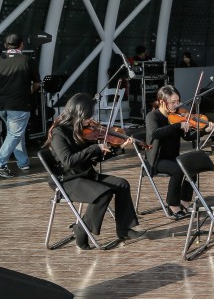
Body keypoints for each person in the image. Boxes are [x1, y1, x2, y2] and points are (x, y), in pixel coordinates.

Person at [45, 93, 146, 248]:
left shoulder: (81, 129)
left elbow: (95, 158)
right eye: (88, 116)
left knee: (122, 184)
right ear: (78, 113)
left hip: (85, 174)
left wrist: (118, 148)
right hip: (67, 180)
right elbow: (69, 161)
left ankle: (124, 228)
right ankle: (81, 229)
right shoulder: (59, 132)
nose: (90, 120)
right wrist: (94, 148)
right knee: (103, 194)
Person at [145, 85, 214, 219]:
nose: (176, 105)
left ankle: (185, 202)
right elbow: (155, 134)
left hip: (172, 157)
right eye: (173, 102)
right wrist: (177, 125)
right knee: (179, 170)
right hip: (157, 159)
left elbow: (187, 137)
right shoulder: (152, 116)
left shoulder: (177, 116)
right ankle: (173, 205)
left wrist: (204, 131)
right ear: (161, 102)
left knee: (192, 166)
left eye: (178, 101)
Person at [0, 33, 40, 178]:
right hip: (19, 104)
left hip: (2, 106)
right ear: (21, 44)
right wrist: (28, 92)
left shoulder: (0, 60)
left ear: (5, 46)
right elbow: (37, 83)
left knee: (16, 134)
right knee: (15, 134)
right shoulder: (26, 60)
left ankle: (23, 162)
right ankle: (0, 163)